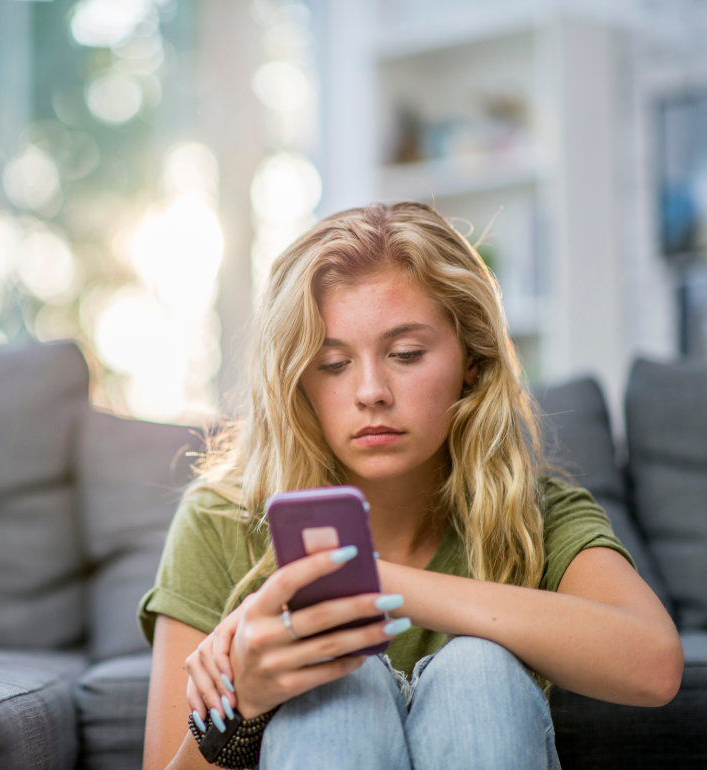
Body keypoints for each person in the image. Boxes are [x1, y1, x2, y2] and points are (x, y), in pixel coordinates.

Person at [138, 202, 683, 770]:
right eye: (332, 364)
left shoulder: (531, 511)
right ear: (298, 380)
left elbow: (654, 663)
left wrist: (370, 583)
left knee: (479, 670)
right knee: (336, 694)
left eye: (405, 355)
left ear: (472, 359)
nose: (371, 391)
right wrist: (244, 707)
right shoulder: (221, 518)